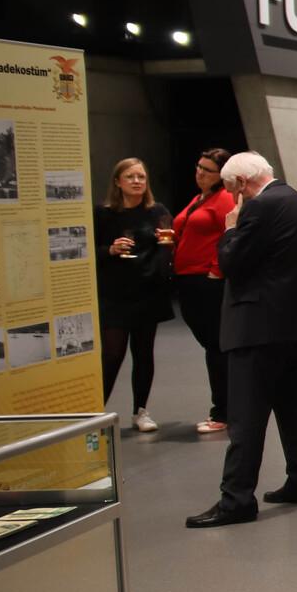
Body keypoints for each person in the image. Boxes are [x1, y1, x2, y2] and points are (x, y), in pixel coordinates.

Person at [185, 152, 297, 528]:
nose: (235, 200)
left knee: (246, 415)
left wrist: (230, 229)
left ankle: (236, 500)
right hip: (290, 325)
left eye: (233, 191)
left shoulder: (260, 208)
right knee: (291, 402)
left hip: (257, 326)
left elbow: (233, 263)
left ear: (243, 184)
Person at [94, 158, 175, 433]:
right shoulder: (102, 214)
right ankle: (96, 413)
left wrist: (159, 274)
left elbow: (166, 248)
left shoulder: (158, 211)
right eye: (130, 176)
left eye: (141, 176)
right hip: (114, 293)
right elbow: (90, 252)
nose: (137, 181)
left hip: (146, 291)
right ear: (118, 181)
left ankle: (140, 411)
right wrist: (110, 250)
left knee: (143, 353)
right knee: (112, 354)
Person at [171, 148, 236, 435]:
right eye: (198, 167)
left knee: (217, 348)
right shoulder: (200, 199)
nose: (200, 173)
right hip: (188, 280)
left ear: (220, 175)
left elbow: (231, 234)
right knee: (213, 346)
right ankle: (226, 408)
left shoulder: (223, 200)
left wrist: (215, 270)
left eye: (207, 170)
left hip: (206, 282)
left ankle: (222, 411)